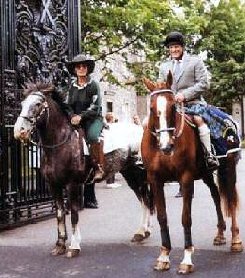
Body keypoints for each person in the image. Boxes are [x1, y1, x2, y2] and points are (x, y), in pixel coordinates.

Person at [158, 31, 219, 171]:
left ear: (182, 47)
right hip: (171, 106)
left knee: (198, 120)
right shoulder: (163, 66)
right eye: (171, 47)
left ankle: (209, 155)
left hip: (193, 103)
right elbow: (161, 86)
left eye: (176, 47)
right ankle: (145, 157)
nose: (174, 50)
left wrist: (184, 95)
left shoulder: (195, 61)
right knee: (148, 122)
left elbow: (204, 83)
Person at [65, 54, 105, 182]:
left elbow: (95, 106)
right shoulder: (71, 86)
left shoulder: (93, 85)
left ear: (88, 69)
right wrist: (72, 116)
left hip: (93, 119)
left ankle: (98, 167)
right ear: (75, 70)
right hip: (75, 119)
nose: (81, 68)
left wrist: (81, 117)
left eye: (84, 66)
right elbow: (67, 104)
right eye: (78, 67)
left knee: (92, 136)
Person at [104, 112, 122, 189]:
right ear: (111, 118)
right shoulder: (110, 126)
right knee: (110, 165)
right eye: (114, 117)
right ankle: (109, 182)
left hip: (110, 147)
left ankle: (112, 181)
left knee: (112, 164)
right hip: (109, 148)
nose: (115, 118)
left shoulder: (108, 126)